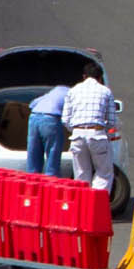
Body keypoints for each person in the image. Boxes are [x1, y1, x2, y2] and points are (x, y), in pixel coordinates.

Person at [63, 62, 116, 191]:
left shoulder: (73, 91)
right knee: (104, 173)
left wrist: (76, 129)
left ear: (84, 76)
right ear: (100, 78)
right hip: (97, 134)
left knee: (81, 174)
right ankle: (96, 204)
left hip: (77, 136)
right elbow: (111, 120)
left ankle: (82, 206)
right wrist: (104, 132)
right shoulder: (105, 91)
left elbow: (65, 119)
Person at [26, 82, 70, 176]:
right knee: (52, 153)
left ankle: (32, 179)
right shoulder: (71, 93)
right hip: (51, 118)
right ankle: (51, 179)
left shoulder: (52, 92)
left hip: (34, 117)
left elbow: (32, 104)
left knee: (34, 152)